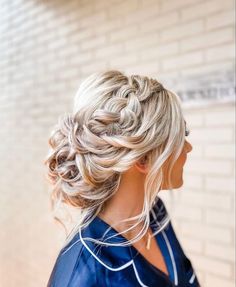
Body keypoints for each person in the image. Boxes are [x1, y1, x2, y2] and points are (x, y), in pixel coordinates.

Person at [44, 70, 201, 286]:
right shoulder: (84, 275)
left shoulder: (154, 214)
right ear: (143, 159)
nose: (188, 148)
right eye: (180, 137)